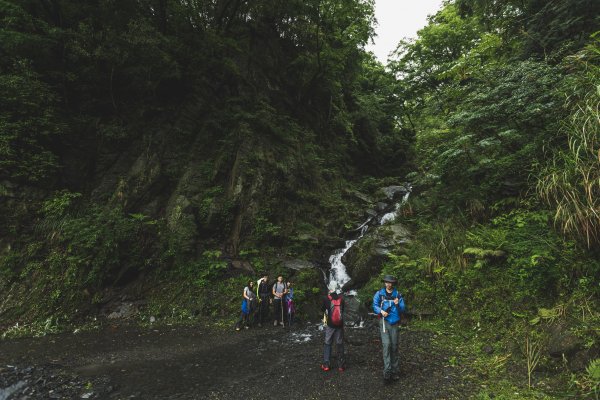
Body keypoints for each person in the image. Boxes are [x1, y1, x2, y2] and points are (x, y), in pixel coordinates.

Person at [372, 275, 406, 383]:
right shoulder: (379, 294)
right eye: (387, 282)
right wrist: (381, 311)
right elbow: (375, 305)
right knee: (386, 345)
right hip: (384, 323)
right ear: (385, 283)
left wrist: (398, 304)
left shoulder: (397, 295)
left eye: (390, 282)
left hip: (394, 323)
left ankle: (395, 371)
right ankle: (387, 371)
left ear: (393, 283)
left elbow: (403, 309)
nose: (388, 284)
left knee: (394, 346)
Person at [321, 282, 345, 372]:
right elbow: (343, 311)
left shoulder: (326, 298)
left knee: (327, 342)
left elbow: (322, 309)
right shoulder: (341, 299)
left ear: (330, 289)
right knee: (339, 343)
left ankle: (326, 364)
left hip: (330, 324)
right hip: (339, 324)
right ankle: (341, 365)